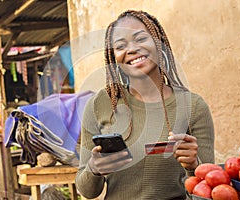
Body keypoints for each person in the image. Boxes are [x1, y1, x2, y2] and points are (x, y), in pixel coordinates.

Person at [75, 10, 214, 200]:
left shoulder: (193, 106)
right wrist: (94, 169)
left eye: (140, 39)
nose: (131, 49)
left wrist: (193, 166)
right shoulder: (100, 104)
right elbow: (86, 191)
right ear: (113, 56)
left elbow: (208, 189)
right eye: (121, 46)